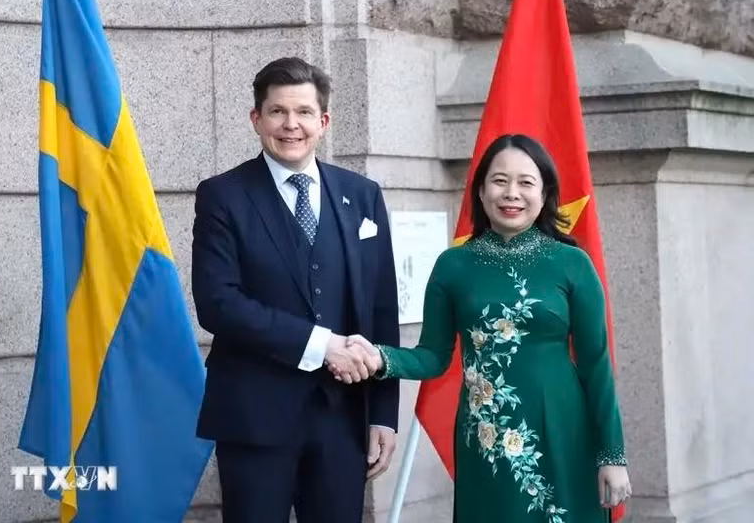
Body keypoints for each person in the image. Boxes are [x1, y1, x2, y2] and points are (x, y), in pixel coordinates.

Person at [337, 134, 632, 522]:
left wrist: (612, 455)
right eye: (499, 181)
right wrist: (380, 358)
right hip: (486, 436)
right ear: (480, 190)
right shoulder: (452, 266)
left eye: (526, 183)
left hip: (565, 431)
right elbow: (433, 356)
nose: (512, 193)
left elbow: (597, 366)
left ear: (544, 194)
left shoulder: (573, 263)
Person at [190, 56, 400, 523]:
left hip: (343, 417)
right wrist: (322, 345)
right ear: (256, 119)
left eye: (304, 112)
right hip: (254, 417)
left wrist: (384, 414)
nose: (291, 125)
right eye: (278, 111)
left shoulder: (362, 194)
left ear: (323, 122)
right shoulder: (222, 195)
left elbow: (381, 308)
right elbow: (218, 303)